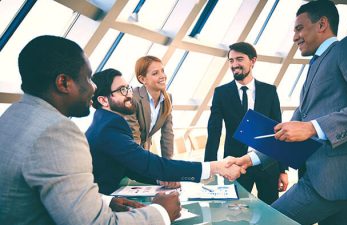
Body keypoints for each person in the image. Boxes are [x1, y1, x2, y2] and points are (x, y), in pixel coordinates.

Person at [225, 1, 347, 224]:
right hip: (329, 180)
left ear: (322, 24)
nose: (294, 37)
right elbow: (289, 130)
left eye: (299, 28)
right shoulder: (315, 65)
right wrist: (251, 159)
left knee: (266, 221)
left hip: (332, 178)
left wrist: (313, 127)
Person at [0, 35, 182, 224]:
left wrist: (106, 201)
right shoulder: (57, 132)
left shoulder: (12, 116)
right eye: (87, 78)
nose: (94, 87)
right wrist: (161, 212)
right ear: (63, 83)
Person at [86, 68, 244, 195]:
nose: (130, 94)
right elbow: (148, 163)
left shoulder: (106, 122)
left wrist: (159, 180)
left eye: (128, 88)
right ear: (103, 100)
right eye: (122, 90)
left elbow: (130, 164)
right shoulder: (109, 128)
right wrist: (214, 167)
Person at [204, 42, 288, 204]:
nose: (234, 64)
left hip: (267, 163)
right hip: (235, 164)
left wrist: (282, 169)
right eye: (231, 60)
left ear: (253, 61)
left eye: (239, 59)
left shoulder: (269, 91)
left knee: (270, 213)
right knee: (234, 213)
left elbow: (278, 130)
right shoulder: (221, 93)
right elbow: (214, 131)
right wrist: (210, 168)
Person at [125, 56, 174, 159]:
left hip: (143, 151)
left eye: (162, 71)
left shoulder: (167, 98)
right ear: (142, 79)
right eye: (155, 73)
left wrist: (169, 165)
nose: (162, 76)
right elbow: (134, 136)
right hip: (126, 154)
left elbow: (167, 134)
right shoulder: (133, 97)